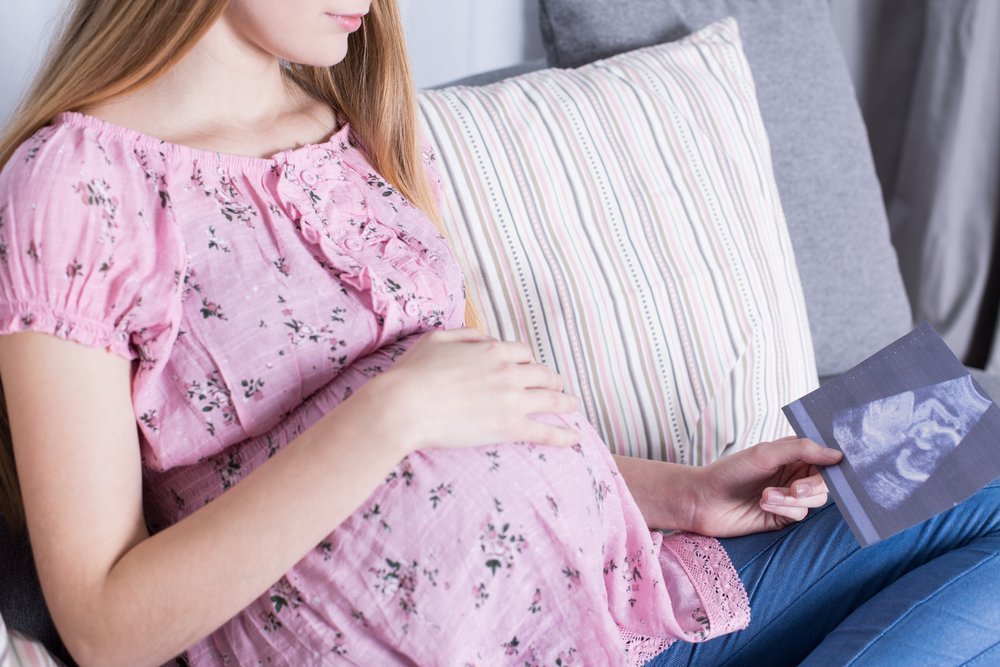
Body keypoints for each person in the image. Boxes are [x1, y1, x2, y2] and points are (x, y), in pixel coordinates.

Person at [0, 1, 997, 665]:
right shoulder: (74, 185)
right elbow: (105, 622)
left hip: (624, 609)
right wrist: (387, 414)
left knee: (969, 438)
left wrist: (681, 493)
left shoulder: (352, 121)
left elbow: (488, 418)